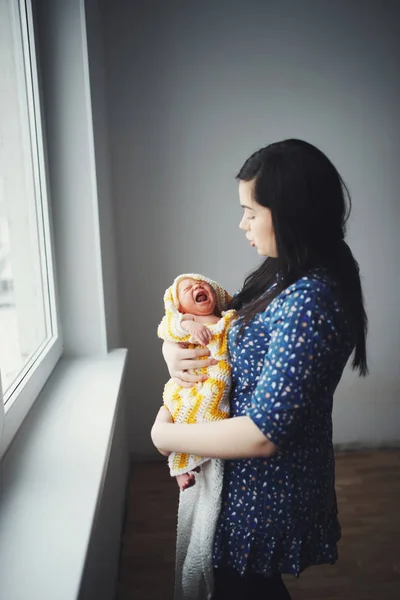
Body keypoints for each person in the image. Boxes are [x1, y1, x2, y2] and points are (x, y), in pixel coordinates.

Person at [151, 139, 368, 600]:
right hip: (241, 488)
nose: (242, 224)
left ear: (290, 212)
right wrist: (174, 346)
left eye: (251, 211)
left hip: (262, 497)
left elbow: (263, 435)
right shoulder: (281, 273)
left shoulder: (312, 299)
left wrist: (163, 436)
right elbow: (222, 327)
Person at [157, 273, 237, 491]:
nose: (197, 287)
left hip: (214, 380)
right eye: (187, 288)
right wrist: (188, 326)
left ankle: (193, 459)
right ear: (180, 307)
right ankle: (179, 468)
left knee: (207, 413)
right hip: (189, 384)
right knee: (182, 414)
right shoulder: (185, 321)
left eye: (202, 284)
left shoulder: (225, 318)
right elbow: (166, 326)